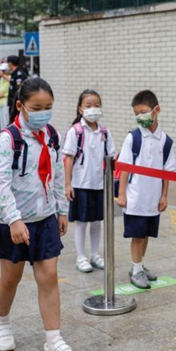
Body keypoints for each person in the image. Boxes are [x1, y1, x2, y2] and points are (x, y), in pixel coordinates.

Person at [0, 77, 82, 351]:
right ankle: (2, 323)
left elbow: (55, 175)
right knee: (11, 277)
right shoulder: (8, 139)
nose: (43, 112)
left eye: (48, 107)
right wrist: (14, 220)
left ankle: (53, 341)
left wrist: (62, 210)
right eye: (36, 107)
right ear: (20, 106)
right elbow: (0, 183)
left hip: (44, 219)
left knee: (49, 276)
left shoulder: (51, 135)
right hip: (12, 222)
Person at [116, 90, 175, 289]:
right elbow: (124, 167)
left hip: (153, 198)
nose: (139, 117)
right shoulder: (133, 138)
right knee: (137, 235)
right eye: (136, 114)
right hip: (135, 197)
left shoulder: (165, 141)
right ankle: (136, 268)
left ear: (156, 110)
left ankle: (139, 266)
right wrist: (122, 193)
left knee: (147, 234)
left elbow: (167, 171)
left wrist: (164, 196)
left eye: (143, 112)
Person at [63, 89, 115, 273]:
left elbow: (111, 157)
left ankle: (94, 254)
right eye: (88, 105)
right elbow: (68, 158)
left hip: (98, 184)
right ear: (80, 109)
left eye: (97, 105)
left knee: (96, 221)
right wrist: (68, 184)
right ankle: (80, 256)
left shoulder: (105, 132)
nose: (93, 109)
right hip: (80, 184)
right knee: (81, 221)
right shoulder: (75, 131)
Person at [0, 63, 11, 129]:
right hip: (0, 102)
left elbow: (10, 80)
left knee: (6, 120)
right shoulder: (1, 79)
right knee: (2, 121)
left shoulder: (10, 77)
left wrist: (4, 95)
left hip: (6, 102)